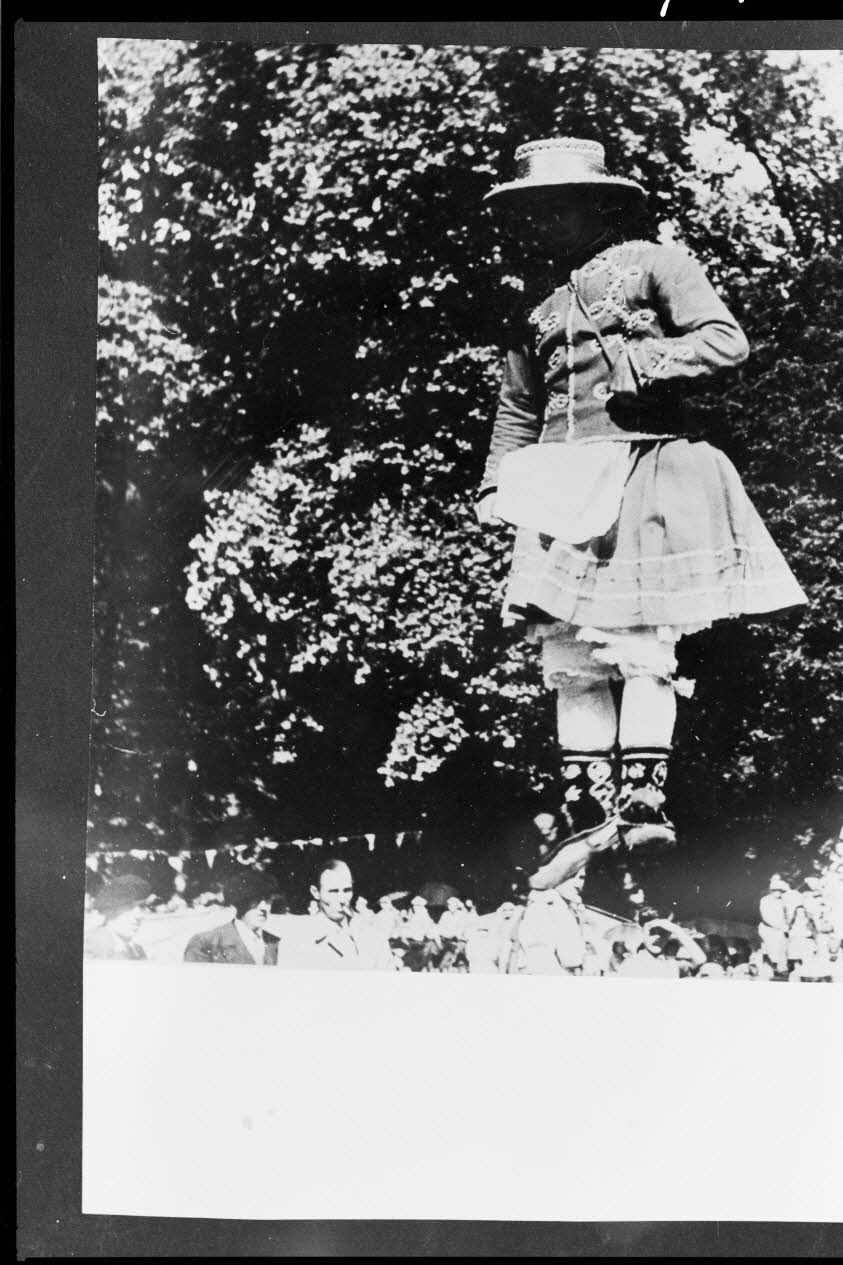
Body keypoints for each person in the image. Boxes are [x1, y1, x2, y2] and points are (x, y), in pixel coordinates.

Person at [477, 138, 807, 890]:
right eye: (533, 208)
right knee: (567, 657)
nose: (546, 220)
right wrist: (497, 485)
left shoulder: (656, 262)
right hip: (558, 488)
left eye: (559, 203)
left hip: (640, 465)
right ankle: (587, 808)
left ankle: (644, 798)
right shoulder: (531, 299)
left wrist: (645, 364)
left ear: (599, 202)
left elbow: (727, 341)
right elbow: (517, 402)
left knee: (641, 640)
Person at [261, 859, 396, 971]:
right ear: (315, 892)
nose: (342, 899)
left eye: (347, 890)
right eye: (333, 891)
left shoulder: (374, 937)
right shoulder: (297, 939)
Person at [183, 868, 280, 964]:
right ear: (240, 902)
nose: (264, 907)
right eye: (255, 901)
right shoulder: (205, 943)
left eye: (268, 900)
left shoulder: (276, 943)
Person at [83, 875, 152, 960]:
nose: (139, 915)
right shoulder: (90, 945)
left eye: (142, 907)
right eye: (130, 907)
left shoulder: (137, 950)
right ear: (110, 910)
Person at [757, 875, 791, 976]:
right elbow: (766, 917)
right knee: (770, 948)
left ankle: (782, 969)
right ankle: (770, 968)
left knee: (783, 947)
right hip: (767, 929)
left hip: (780, 930)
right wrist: (779, 926)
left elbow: (786, 915)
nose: (778, 892)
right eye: (775, 890)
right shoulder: (765, 900)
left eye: (780, 890)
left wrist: (785, 926)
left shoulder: (783, 900)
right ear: (771, 890)